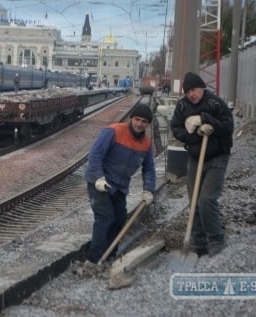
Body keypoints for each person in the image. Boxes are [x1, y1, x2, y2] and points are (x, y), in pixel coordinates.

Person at [81, 104, 156, 272]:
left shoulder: (146, 143)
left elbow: (149, 168)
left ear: (148, 124)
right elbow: (95, 155)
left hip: (120, 186)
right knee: (105, 218)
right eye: (137, 119)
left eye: (144, 121)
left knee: (120, 219)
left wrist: (148, 190)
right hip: (101, 181)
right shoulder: (113, 131)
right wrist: (97, 177)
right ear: (131, 118)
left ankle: (110, 256)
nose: (139, 124)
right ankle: (93, 261)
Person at [170, 72, 233, 256]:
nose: (191, 94)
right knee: (195, 201)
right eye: (188, 91)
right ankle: (198, 243)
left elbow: (228, 126)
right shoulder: (182, 106)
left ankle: (215, 239)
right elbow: (176, 128)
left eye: (194, 90)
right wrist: (194, 135)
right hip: (196, 157)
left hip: (218, 156)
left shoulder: (214, 102)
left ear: (202, 88)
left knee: (207, 199)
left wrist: (208, 121)